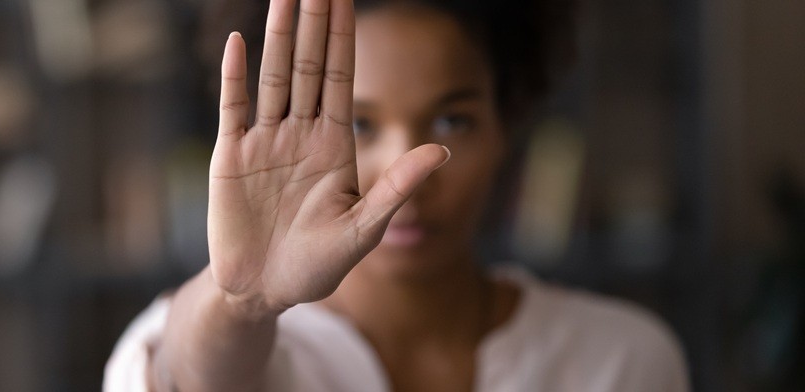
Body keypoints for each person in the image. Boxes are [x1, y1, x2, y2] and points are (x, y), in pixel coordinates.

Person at [104, 0, 690, 390]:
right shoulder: (223, 335)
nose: (405, 175)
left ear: (506, 124)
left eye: (452, 121)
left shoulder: (620, 361)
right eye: (358, 126)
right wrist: (242, 300)